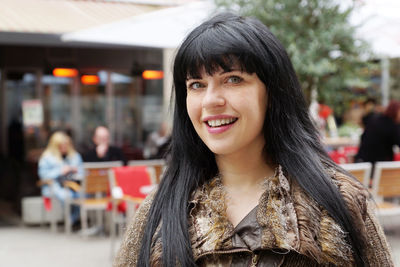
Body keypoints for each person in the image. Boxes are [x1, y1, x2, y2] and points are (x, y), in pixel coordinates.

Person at [115, 13, 393, 266]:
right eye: (196, 85)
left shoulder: (338, 200)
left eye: (233, 79)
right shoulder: (162, 206)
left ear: (272, 92)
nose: (211, 100)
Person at [38, 131, 83, 223]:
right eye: (61, 145)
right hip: (55, 185)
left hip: (74, 184)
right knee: (66, 195)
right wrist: (60, 171)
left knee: (83, 195)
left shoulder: (75, 156)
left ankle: (73, 220)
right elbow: (43, 176)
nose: (64, 148)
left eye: (66, 145)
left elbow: (83, 172)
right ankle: (71, 221)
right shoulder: (47, 157)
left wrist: (76, 171)